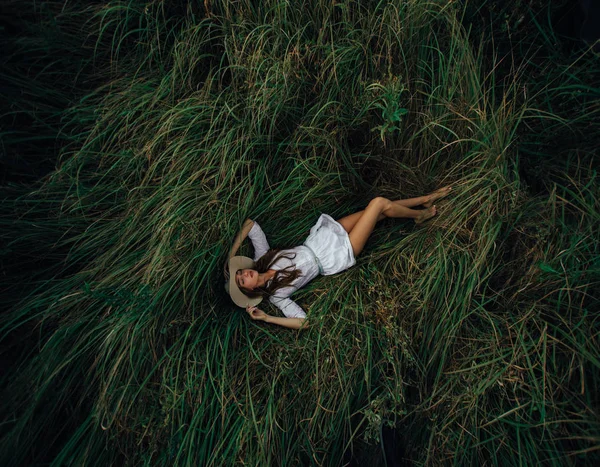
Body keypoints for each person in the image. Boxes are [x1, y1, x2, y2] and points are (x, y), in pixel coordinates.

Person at [224, 186, 452, 330]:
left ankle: (425, 198)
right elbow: (304, 322)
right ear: (251, 291)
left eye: (240, 272)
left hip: (322, 237)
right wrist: (267, 319)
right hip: (335, 255)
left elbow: (250, 225)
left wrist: (232, 255)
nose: (244, 274)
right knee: (378, 204)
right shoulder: (277, 296)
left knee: (379, 213)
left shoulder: (263, 257)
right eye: (242, 281)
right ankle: (420, 215)